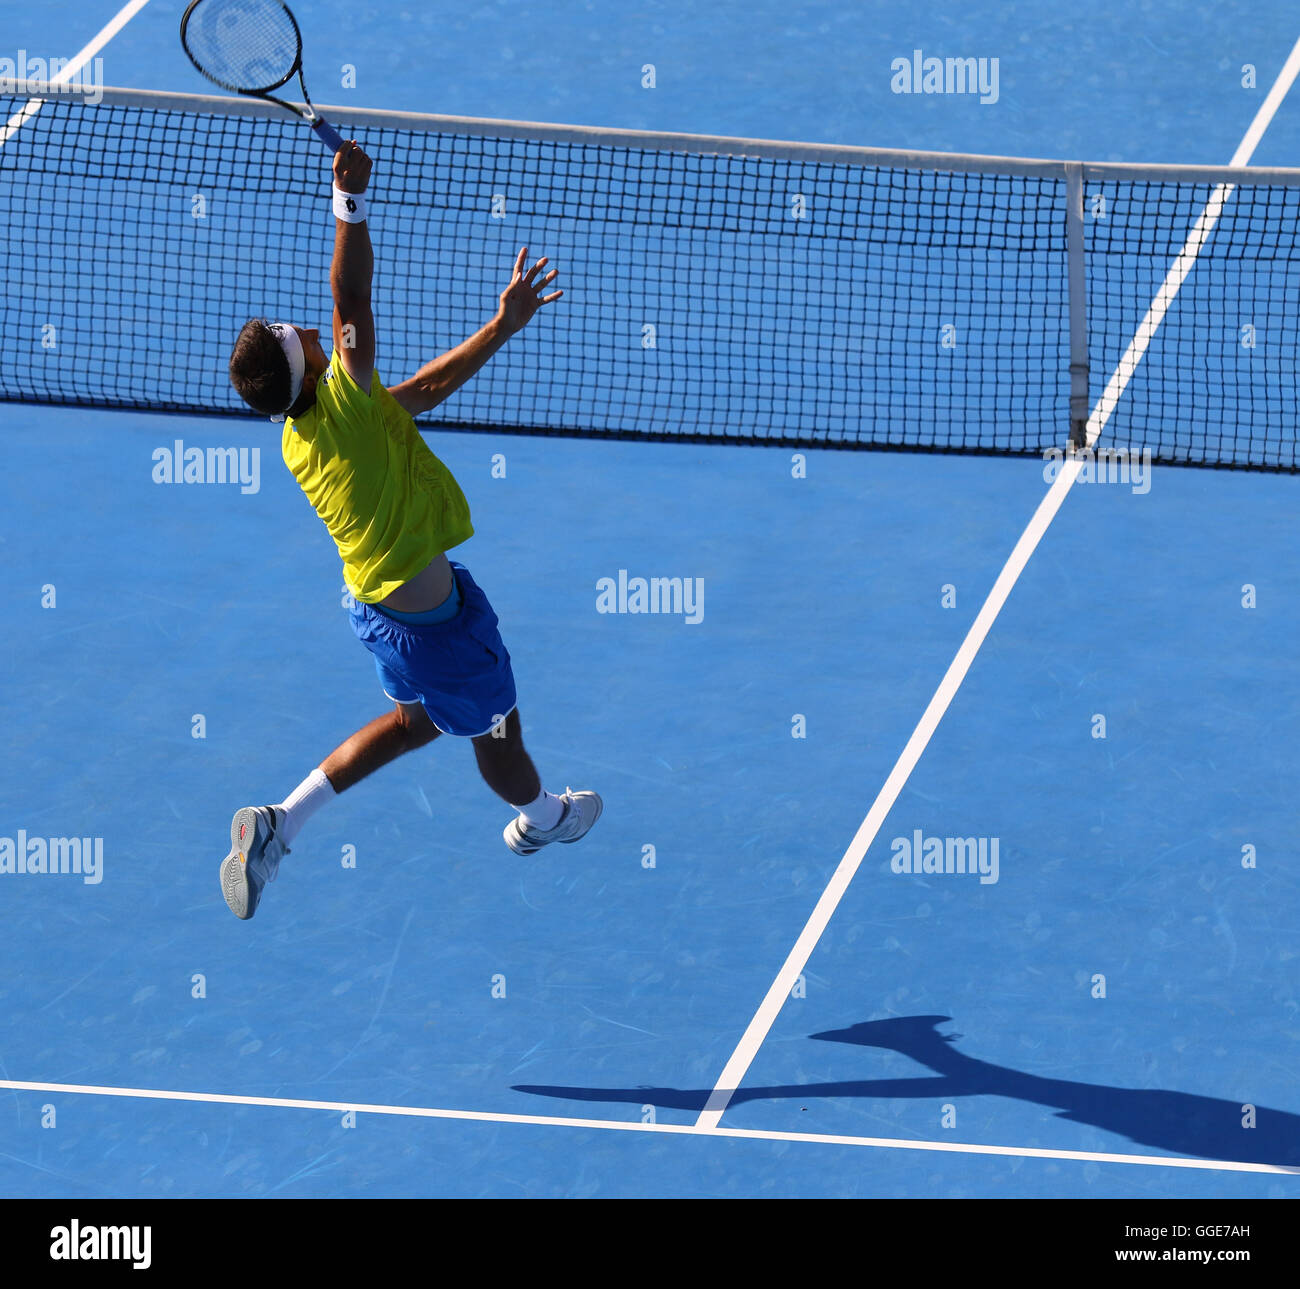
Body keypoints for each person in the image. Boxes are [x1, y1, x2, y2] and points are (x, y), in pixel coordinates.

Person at [218, 139, 601, 920]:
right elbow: (351, 298)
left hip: (377, 611)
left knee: (413, 722)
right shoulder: (350, 398)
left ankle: (278, 825)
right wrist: (348, 200)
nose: (312, 328)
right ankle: (545, 816)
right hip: (437, 630)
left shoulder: (304, 432)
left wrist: (502, 326)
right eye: (303, 334)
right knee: (496, 734)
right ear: (308, 366)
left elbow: (424, 388)